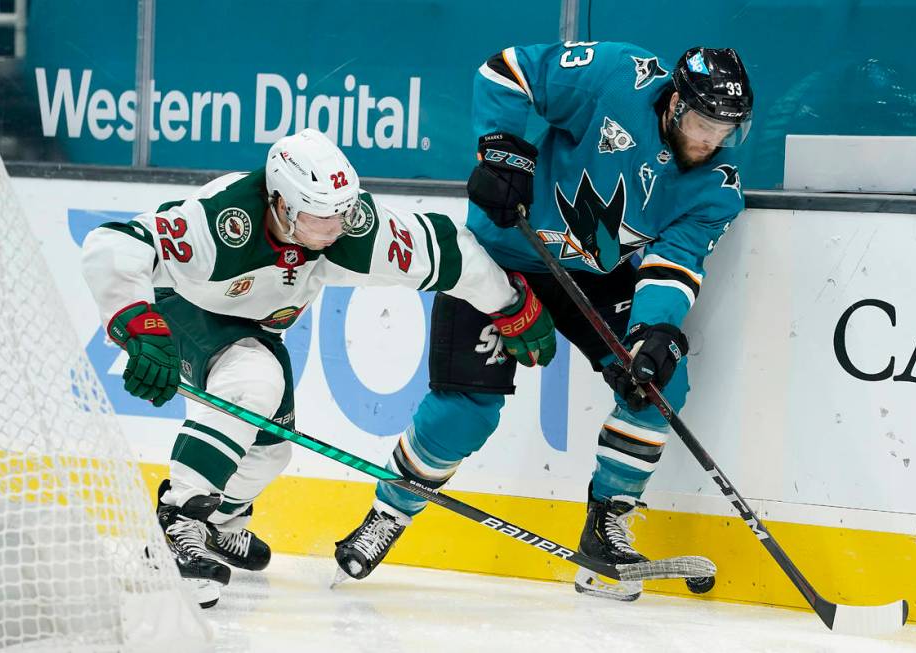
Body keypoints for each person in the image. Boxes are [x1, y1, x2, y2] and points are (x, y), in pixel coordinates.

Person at [335, 43, 753, 602]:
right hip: (500, 256)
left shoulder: (717, 190)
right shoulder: (615, 77)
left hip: (591, 274)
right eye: (702, 123)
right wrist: (502, 151)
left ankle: (606, 530)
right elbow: (507, 70)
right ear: (675, 103)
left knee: (657, 382)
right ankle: (389, 513)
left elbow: (673, 265)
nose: (709, 142)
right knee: (465, 412)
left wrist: (655, 332)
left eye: (724, 131)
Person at [80, 128, 557, 608]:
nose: (335, 230)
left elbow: (447, 252)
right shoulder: (220, 224)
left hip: (252, 328)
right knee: (253, 381)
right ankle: (179, 524)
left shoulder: (351, 230)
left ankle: (221, 521)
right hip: (179, 305)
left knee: (269, 451)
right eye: (319, 218)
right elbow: (112, 244)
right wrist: (138, 326)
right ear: (281, 205)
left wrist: (509, 302)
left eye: (342, 214)